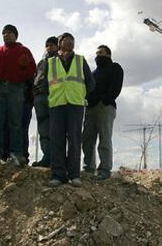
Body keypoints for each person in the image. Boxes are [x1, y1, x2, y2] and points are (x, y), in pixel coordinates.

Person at [45, 32, 95, 187]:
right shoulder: (50, 62)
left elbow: (90, 83)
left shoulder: (80, 60)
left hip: (75, 104)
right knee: (57, 140)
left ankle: (74, 174)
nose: (70, 43)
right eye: (67, 40)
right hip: (57, 104)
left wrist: (80, 95)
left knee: (74, 139)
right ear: (60, 43)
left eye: (73, 40)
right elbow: (43, 83)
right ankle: (58, 175)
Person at [0, 24, 36, 165]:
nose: (6, 35)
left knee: (15, 122)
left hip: (16, 88)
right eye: (4, 33)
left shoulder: (23, 50)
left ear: (15, 35)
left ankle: (16, 153)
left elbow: (31, 68)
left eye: (10, 32)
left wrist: (19, 77)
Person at [82, 45, 124, 180]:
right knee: (87, 139)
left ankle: (104, 169)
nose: (97, 56)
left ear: (108, 55)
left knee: (104, 139)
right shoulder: (94, 73)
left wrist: (105, 100)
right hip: (90, 109)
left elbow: (116, 87)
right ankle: (89, 167)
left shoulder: (115, 67)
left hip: (105, 108)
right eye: (96, 53)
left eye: (101, 53)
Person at [32, 36, 59, 168]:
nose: (49, 47)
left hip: (54, 97)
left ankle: (56, 159)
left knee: (56, 130)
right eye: (47, 45)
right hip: (39, 97)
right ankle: (46, 157)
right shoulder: (41, 63)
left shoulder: (61, 61)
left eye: (52, 45)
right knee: (43, 130)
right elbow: (35, 77)